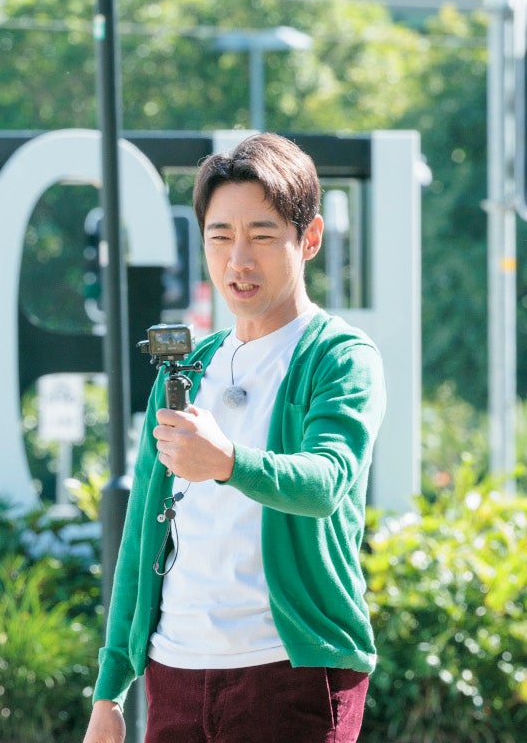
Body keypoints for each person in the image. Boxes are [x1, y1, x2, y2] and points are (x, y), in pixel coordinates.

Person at [83, 133, 386, 743]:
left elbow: (326, 482)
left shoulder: (339, 357)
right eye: (220, 237)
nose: (238, 260)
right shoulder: (189, 367)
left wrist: (225, 462)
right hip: (174, 671)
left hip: (292, 670)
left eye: (263, 235)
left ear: (311, 237)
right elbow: (143, 528)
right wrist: (110, 687)